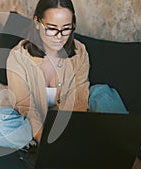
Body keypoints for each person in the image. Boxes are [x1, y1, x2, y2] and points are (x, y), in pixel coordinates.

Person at [6, 0, 89, 143]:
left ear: (73, 25)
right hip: (28, 119)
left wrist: (69, 135)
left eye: (66, 28)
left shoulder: (80, 53)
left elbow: (78, 103)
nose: (59, 37)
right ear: (37, 23)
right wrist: (46, 143)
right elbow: (26, 108)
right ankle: (33, 143)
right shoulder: (18, 57)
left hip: (63, 120)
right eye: (52, 28)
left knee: (103, 94)